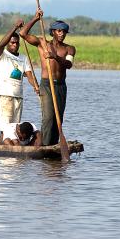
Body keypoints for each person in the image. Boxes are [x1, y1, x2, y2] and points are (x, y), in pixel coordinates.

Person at [20, 10, 76, 145]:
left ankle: (53, 144)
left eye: (64, 32)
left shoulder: (69, 49)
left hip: (61, 86)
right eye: (58, 31)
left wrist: (55, 57)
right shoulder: (42, 43)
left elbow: (68, 64)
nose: (62, 34)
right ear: (53, 32)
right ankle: (44, 144)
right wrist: (35, 18)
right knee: (49, 117)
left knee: (58, 118)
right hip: (46, 85)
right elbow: (23, 34)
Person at [0, 19, 39, 130]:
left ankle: (12, 145)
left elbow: (29, 75)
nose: (15, 45)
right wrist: (15, 26)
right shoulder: (1, 54)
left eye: (17, 43)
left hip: (18, 96)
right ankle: (3, 144)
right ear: (8, 43)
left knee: (14, 127)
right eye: (12, 42)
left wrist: (36, 87)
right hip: (6, 95)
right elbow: (1, 44)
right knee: (5, 126)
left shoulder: (23, 58)